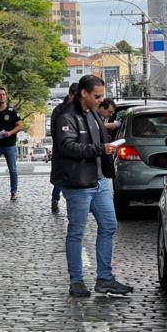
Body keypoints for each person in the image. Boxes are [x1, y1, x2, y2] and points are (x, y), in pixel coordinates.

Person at [51, 75, 133, 298]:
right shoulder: (66, 116)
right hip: (77, 182)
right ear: (84, 94)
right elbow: (67, 146)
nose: (100, 100)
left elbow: (100, 139)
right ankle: (76, 281)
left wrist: (108, 149)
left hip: (99, 181)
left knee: (109, 226)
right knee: (77, 232)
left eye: (102, 96)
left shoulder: (95, 114)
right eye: (96, 96)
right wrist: (100, 149)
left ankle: (104, 279)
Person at [49, 82, 78, 213]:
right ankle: (56, 199)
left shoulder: (63, 109)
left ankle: (58, 200)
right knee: (62, 178)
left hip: (70, 149)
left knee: (63, 178)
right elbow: (56, 131)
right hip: (63, 149)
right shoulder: (61, 110)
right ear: (71, 95)